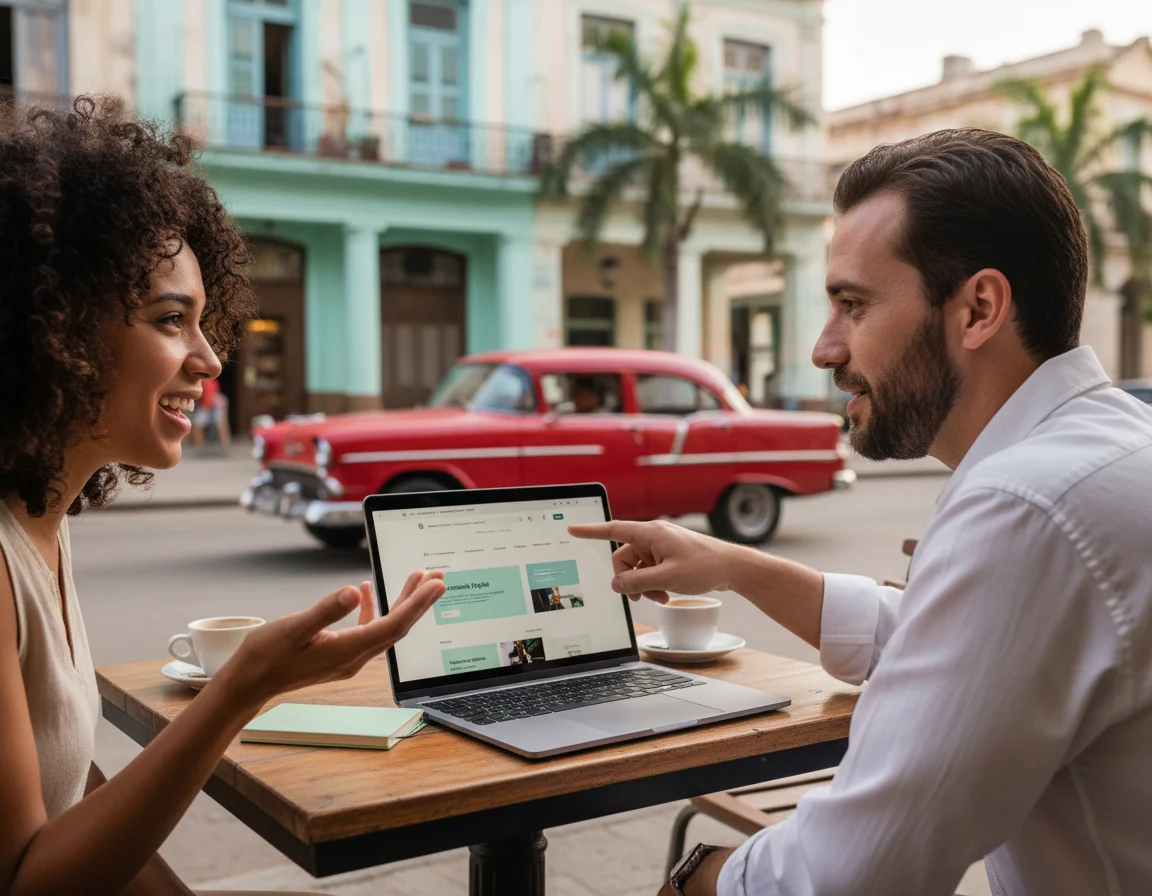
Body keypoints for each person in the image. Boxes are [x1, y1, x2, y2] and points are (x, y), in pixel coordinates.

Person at [571, 129, 1152, 895]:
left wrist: (695, 877)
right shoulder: (1111, 448)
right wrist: (735, 565)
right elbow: (956, 648)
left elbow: (855, 872)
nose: (823, 348)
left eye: (853, 304)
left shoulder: (1025, 504)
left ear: (978, 307)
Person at [0, 97, 446, 896]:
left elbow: (64, 793)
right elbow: (30, 878)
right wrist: (242, 688)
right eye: (172, 319)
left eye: (207, 323)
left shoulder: (45, 522)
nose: (211, 360)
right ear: (54, 326)